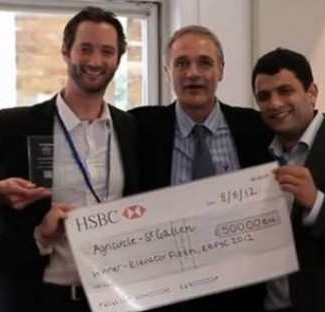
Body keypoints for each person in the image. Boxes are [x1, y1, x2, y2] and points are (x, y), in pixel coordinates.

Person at [0, 6, 139, 312]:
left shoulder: (130, 128)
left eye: (107, 51)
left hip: (115, 299)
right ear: (66, 51)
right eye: (85, 49)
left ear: (118, 58)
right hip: (40, 298)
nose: (95, 61)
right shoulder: (18, 126)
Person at [130, 25, 273, 311]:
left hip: (241, 295)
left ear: (221, 70)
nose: (193, 73)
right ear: (167, 70)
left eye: (205, 63)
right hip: (165, 295)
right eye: (182, 63)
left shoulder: (257, 129)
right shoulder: (137, 129)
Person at [252, 48, 325, 312]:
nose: (275, 103)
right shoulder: (256, 153)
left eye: (285, 91)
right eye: (264, 96)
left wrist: (318, 204)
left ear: (312, 92)